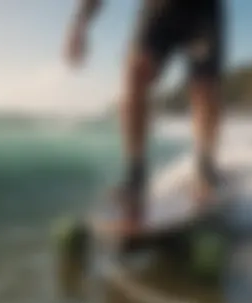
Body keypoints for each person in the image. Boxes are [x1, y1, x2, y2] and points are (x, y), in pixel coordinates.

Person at [64, 0, 225, 212]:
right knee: (134, 73)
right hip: (157, 11)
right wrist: (79, 26)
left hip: (201, 11)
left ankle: (206, 168)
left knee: (203, 86)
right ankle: (135, 176)